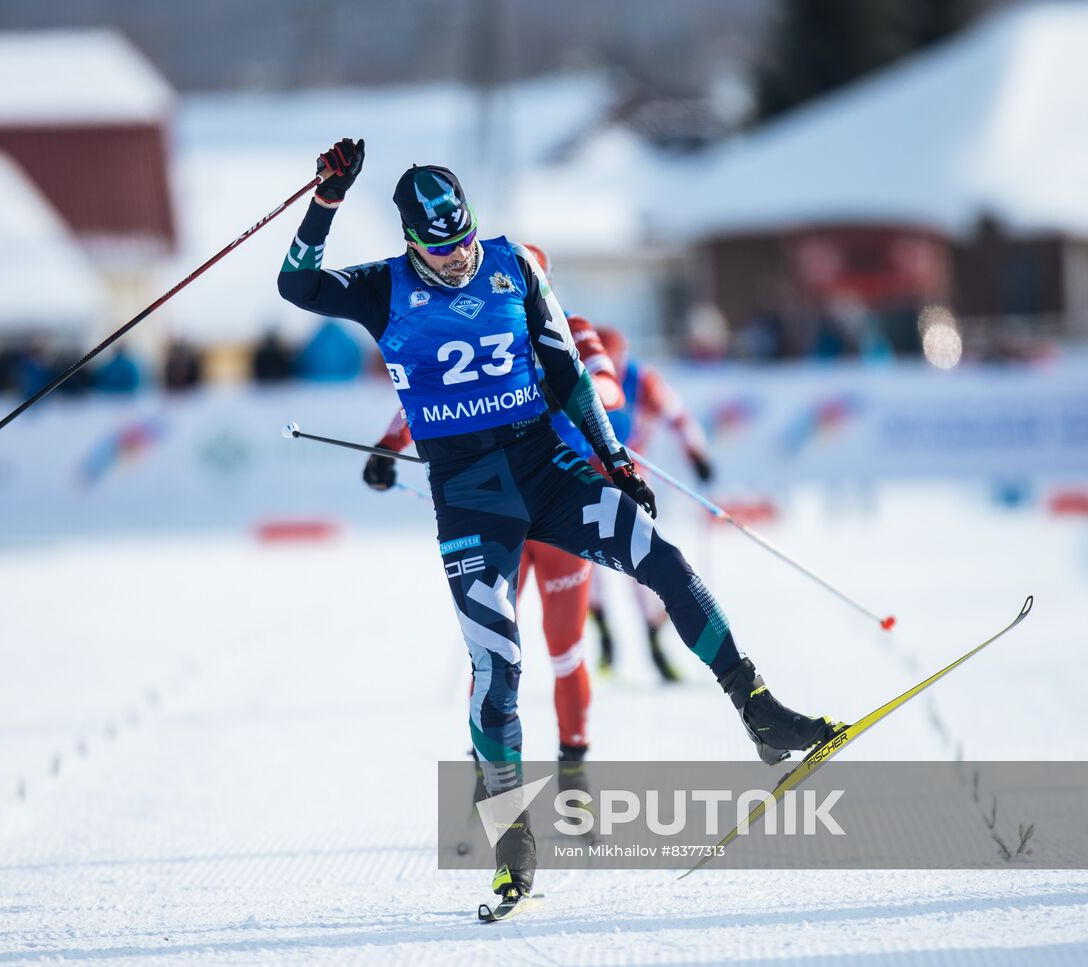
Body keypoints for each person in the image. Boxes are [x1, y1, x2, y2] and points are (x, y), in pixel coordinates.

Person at [277, 138, 839, 908]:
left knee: (659, 555)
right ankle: (513, 843)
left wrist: (613, 457)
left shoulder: (515, 264)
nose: (459, 260)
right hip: (470, 497)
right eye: (440, 251)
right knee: (500, 666)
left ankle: (760, 711)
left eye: (465, 241)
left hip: (548, 469)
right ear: (412, 243)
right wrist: (327, 201)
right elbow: (296, 282)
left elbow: (567, 370)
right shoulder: (383, 289)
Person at [362, 245, 623, 771]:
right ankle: (490, 776)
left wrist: (560, 387)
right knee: (492, 655)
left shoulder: (572, 326)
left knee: (565, 649)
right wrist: (386, 448)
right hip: (495, 510)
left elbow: (610, 390)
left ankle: (574, 770)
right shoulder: (474, 331)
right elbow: (428, 398)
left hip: (558, 506)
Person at [583, 326, 716, 683]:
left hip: (631, 478)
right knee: (589, 563)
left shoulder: (642, 380)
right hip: (586, 478)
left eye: (614, 360)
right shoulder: (575, 375)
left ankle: (655, 643)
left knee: (642, 562)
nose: (608, 367)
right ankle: (605, 638)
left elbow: (679, 418)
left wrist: (697, 453)